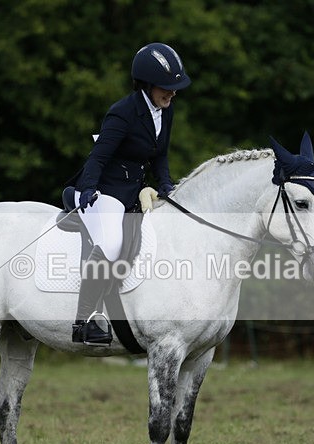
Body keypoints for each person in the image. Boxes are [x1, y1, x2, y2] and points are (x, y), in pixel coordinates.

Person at [71, 42, 191, 346]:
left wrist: (166, 183)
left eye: (174, 89)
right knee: (111, 244)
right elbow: (98, 157)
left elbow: (160, 155)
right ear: (147, 84)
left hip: (134, 192)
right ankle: (83, 321)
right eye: (166, 88)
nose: (172, 94)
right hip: (105, 191)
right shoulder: (122, 113)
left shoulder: (165, 111)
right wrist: (88, 188)